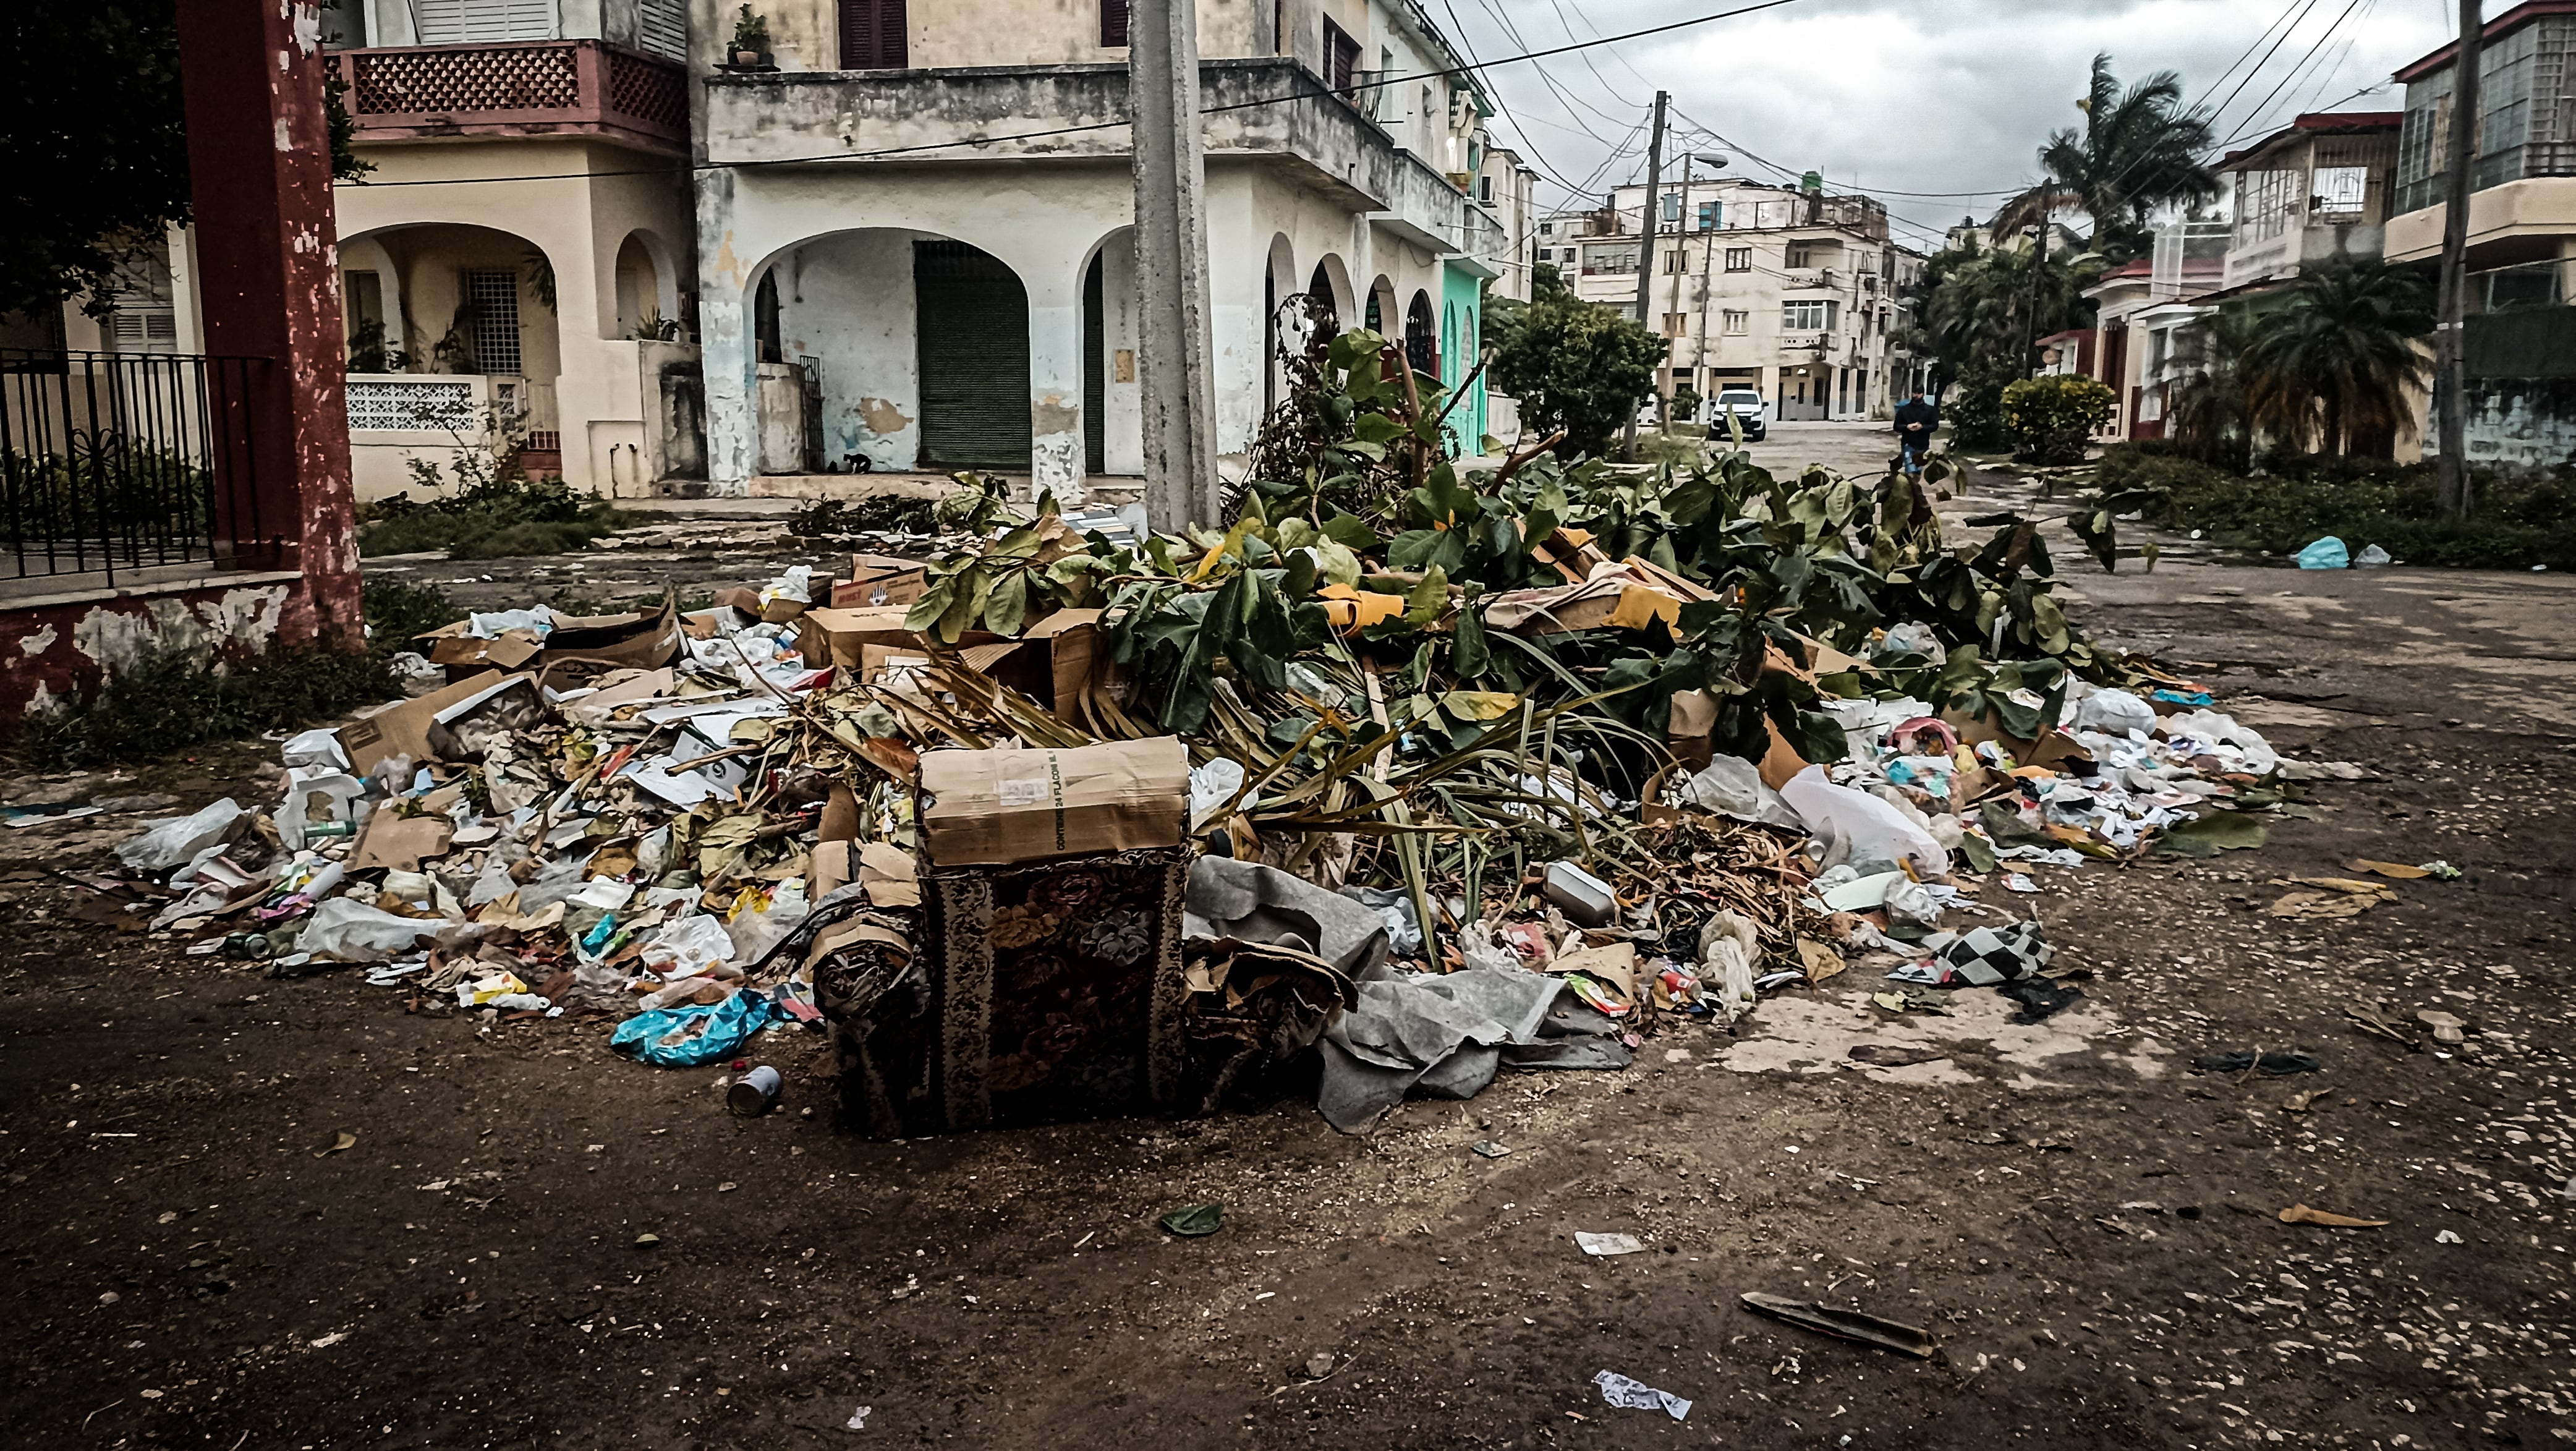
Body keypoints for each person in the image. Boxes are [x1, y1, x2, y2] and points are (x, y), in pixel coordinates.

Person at [1893, 388, 1939, 478]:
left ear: (1923, 394)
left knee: (1918, 471)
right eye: (1914, 393)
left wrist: (1922, 427)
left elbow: (1934, 426)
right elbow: (1896, 426)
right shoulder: (1904, 410)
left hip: (1923, 445)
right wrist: (1907, 427)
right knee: (1910, 470)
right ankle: (1910, 489)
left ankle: (1914, 488)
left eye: (1919, 393)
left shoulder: (1930, 411)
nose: (1916, 395)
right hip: (1908, 443)